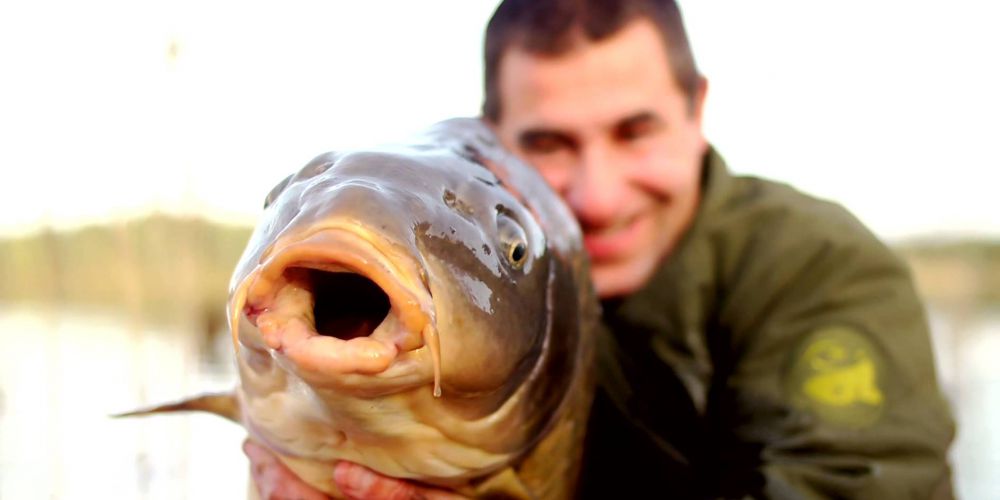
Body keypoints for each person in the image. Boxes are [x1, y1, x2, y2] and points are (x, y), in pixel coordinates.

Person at [246, 0, 956, 498]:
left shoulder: (817, 268)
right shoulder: (488, 267)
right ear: (496, 142)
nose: (599, 195)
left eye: (635, 132)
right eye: (549, 144)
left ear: (697, 109)